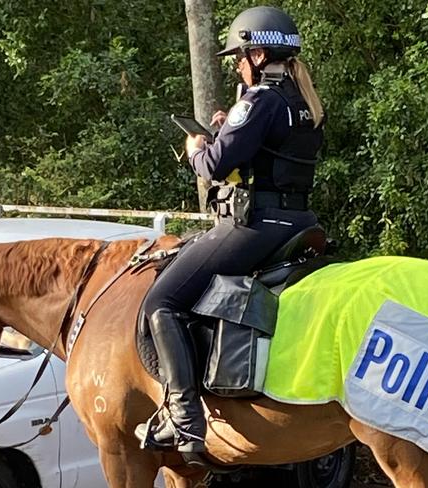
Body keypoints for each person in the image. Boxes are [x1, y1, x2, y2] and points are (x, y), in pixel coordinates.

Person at [135, 6, 325, 454]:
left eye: (239, 57)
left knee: (162, 301)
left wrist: (198, 147)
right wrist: (228, 127)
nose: (237, 64)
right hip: (299, 221)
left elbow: (217, 166)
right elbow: (269, 154)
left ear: (258, 55)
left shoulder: (259, 100)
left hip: (258, 225)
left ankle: (184, 419)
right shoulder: (305, 103)